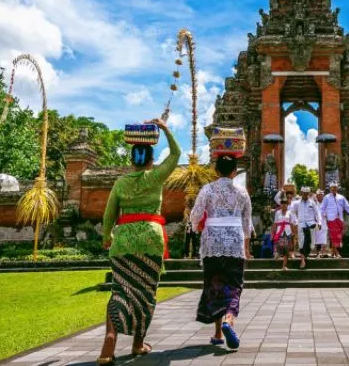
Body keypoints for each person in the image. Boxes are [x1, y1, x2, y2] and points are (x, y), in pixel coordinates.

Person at [98, 119, 179, 362]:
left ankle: (109, 342)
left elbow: (109, 214)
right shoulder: (156, 177)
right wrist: (164, 128)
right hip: (151, 241)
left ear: (132, 160)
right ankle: (138, 343)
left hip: (123, 241)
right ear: (151, 160)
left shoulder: (121, 182)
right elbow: (176, 153)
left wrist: (106, 237)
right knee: (145, 292)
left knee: (119, 290)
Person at [190, 153, 253, 349]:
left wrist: (196, 227)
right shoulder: (242, 192)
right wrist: (247, 249)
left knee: (215, 284)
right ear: (235, 171)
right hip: (234, 241)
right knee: (234, 285)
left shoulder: (207, 190)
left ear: (216, 171)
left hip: (212, 242)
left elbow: (196, 214)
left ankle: (218, 333)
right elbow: (246, 223)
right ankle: (228, 321)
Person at [320, 183, 349, 258]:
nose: (333, 189)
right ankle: (336, 253)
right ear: (330, 189)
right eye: (332, 188)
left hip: (340, 219)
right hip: (331, 219)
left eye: (335, 187)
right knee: (334, 236)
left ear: (337, 188)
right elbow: (322, 208)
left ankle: (333, 252)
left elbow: (347, 207)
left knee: (338, 236)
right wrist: (322, 217)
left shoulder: (341, 197)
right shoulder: (326, 197)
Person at [290, 186, 322, 269]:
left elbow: (317, 212)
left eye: (307, 194)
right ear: (301, 193)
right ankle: (302, 260)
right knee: (302, 242)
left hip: (311, 224)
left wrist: (319, 222)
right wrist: (295, 221)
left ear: (308, 194)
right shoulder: (296, 203)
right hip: (301, 224)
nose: (305, 195)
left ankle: (306, 254)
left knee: (311, 244)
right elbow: (292, 212)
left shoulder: (312, 202)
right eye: (304, 193)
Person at [272, 197, 297, 271]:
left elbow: (291, 223)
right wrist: (273, 233)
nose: (283, 205)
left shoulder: (290, 212)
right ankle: (278, 252)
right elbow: (275, 223)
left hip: (287, 231)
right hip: (279, 231)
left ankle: (284, 266)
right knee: (280, 245)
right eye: (282, 203)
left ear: (287, 204)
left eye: (285, 203)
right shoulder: (277, 212)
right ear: (280, 204)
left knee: (286, 249)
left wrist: (293, 232)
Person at [312, 189, 329, 257]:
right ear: (317, 196)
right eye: (318, 195)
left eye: (321, 195)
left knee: (323, 238)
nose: (320, 196)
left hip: (324, 223)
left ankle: (323, 252)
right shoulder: (314, 203)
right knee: (317, 238)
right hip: (317, 223)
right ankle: (318, 253)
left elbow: (328, 213)